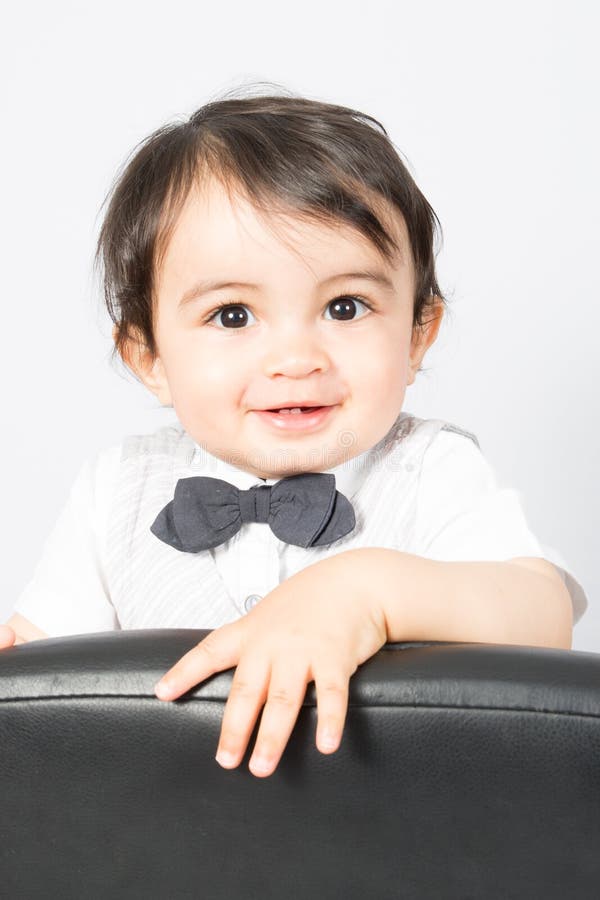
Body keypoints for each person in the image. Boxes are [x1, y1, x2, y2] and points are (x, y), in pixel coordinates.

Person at [1, 87, 588, 779]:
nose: (295, 359)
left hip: (391, 842)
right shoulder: (115, 491)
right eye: (232, 316)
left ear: (417, 334)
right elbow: (47, 680)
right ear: (149, 357)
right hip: (166, 846)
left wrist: (367, 591)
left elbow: (542, 612)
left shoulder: (429, 470)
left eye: (345, 306)